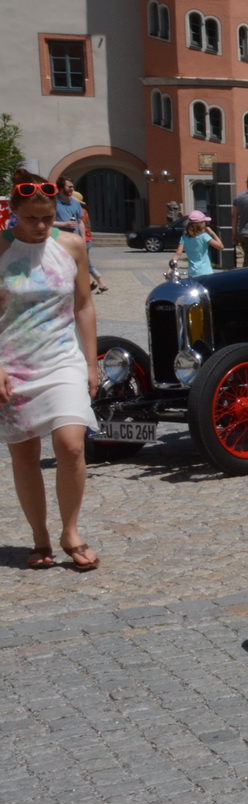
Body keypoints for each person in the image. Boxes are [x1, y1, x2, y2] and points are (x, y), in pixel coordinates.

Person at [1, 170, 100, 572]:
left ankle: (70, 531)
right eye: (31, 219)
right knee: (25, 456)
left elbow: (82, 305)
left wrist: (91, 362)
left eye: (47, 218)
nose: (41, 226)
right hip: (14, 365)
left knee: (72, 445)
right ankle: (40, 537)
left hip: (62, 360)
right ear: (13, 213)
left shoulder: (72, 246)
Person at [54, 177, 106, 293]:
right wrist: (64, 224)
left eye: (72, 186)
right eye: (69, 187)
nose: (72, 189)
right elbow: (47, 222)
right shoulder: (52, 202)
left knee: (80, 266)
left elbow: (80, 222)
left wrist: (82, 240)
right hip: (59, 242)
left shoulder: (75, 203)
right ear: (61, 187)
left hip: (76, 241)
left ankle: (82, 290)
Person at [175, 210, 222, 276]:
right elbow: (220, 246)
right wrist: (212, 233)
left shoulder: (184, 238)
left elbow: (177, 254)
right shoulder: (204, 236)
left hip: (192, 272)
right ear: (201, 224)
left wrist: (170, 268)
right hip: (205, 272)